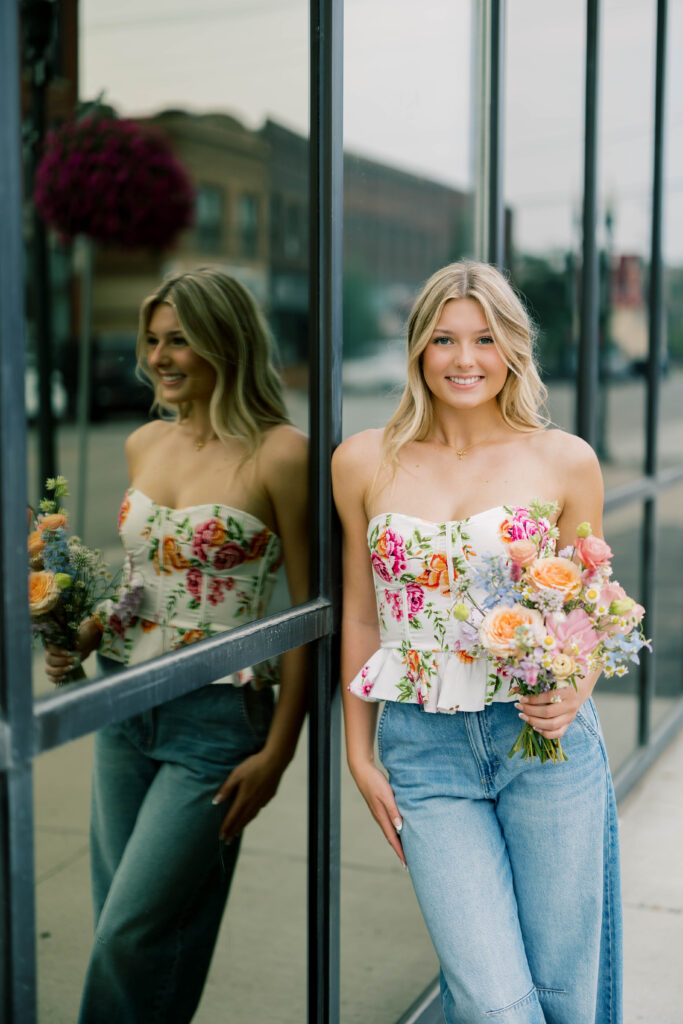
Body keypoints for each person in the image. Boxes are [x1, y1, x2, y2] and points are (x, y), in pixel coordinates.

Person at [332, 261, 622, 1024]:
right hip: (422, 754)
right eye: (443, 339)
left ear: (512, 349)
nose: (464, 359)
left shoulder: (564, 459)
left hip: (542, 747)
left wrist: (575, 690)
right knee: (494, 1005)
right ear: (416, 350)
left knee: (563, 995)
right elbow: (363, 616)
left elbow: (588, 609)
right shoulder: (363, 460)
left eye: (485, 338)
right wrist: (358, 751)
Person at [45, 268, 309, 1024]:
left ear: (225, 342)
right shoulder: (142, 443)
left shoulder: (282, 454)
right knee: (134, 927)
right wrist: (79, 633)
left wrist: (280, 753)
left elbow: (309, 615)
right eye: (153, 340)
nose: (160, 356)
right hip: (123, 702)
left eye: (180, 340)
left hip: (217, 723)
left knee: (133, 930)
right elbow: (140, 581)